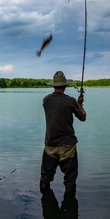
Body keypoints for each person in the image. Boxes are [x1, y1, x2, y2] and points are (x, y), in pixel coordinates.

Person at [40, 70, 86, 198]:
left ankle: (46, 203)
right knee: (70, 180)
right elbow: (83, 117)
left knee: (45, 178)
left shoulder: (46, 100)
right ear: (65, 86)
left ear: (53, 85)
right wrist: (80, 105)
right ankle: (70, 207)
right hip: (68, 147)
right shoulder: (71, 101)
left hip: (50, 146)